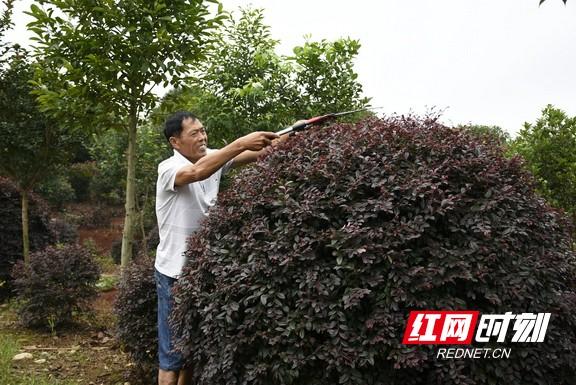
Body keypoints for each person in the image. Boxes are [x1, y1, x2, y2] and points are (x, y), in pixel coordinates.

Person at [154, 111, 281, 385]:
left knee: (191, 351)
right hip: (174, 274)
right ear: (175, 142)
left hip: (202, 269)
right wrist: (240, 142)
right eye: (194, 133)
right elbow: (197, 172)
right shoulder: (168, 169)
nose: (202, 137)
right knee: (171, 357)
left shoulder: (212, 157)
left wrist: (292, 134)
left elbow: (257, 153)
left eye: (203, 130)